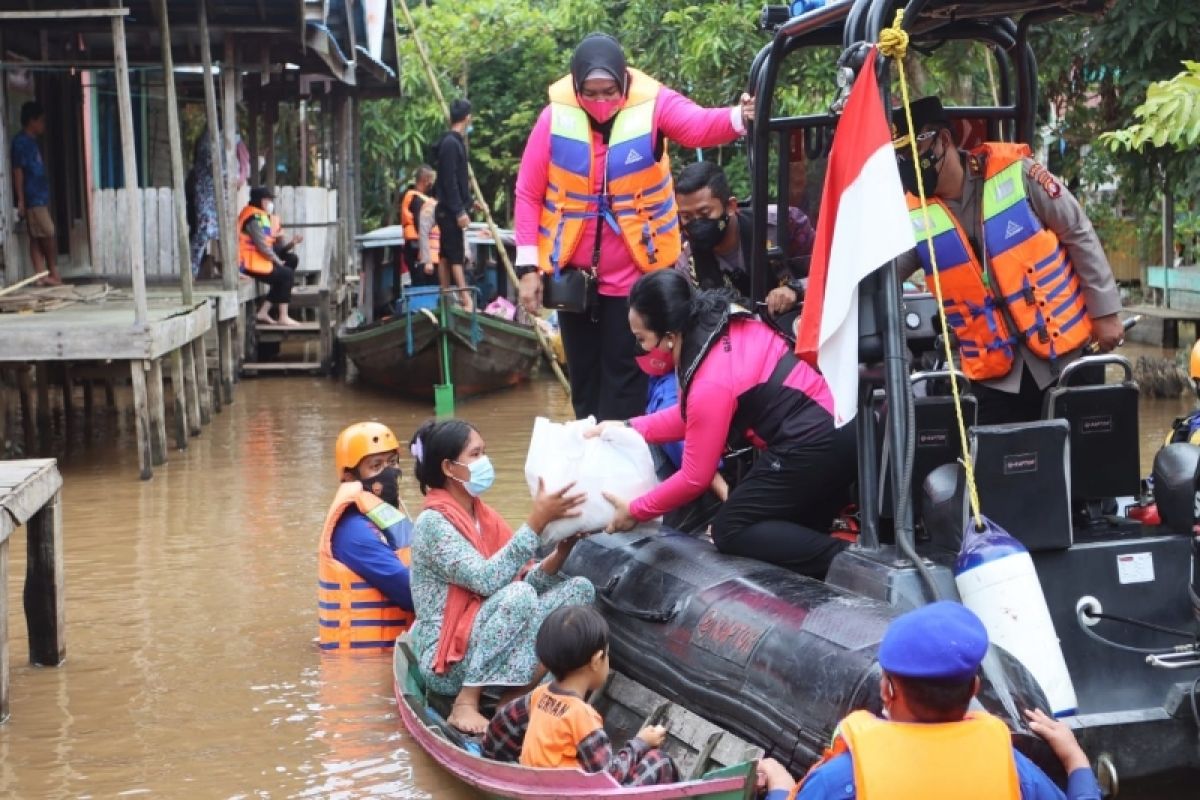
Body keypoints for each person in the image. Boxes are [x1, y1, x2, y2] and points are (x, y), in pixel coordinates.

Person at [513, 33, 757, 421]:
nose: (601, 103)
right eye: (589, 94)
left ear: (624, 82)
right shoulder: (552, 120)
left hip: (632, 279)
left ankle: (620, 464)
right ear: (576, 88)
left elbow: (697, 126)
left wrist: (738, 118)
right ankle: (588, 468)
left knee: (624, 383)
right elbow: (528, 193)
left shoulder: (654, 105)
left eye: (609, 91)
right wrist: (528, 270)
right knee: (584, 385)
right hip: (573, 280)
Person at [593, 270, 856, 578]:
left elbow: (696, 477)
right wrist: (627, 427)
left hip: (813, 442)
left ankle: (851, 565)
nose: (642, 349)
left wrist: (636, 510)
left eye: (642, 339)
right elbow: (690, 417)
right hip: (833, 430)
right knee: (774, 524)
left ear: (668, 334)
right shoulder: (713, 327)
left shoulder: (708, 378)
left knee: (729, 528)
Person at [893, 96, 1124, 425]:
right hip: (996, 378)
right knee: (999, 468)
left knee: (1086, 463)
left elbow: (1078, 231)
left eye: (911, 152)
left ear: (942, 140)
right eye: (899, 156)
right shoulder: (912, 218)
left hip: (1067, 358)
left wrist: (1105, 313)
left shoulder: (1017, 172)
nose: (906, 164)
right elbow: (882, 275)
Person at [758, 602, 1102, 800]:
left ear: (887, 690)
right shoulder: (1010, 768)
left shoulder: (842, 780)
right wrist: (1075, 759)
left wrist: (780, 787)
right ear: (974, 690)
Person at [407, 419, 595, 734]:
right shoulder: (432, 524)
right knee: (517, 597)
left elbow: (520, 583)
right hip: (446, 662)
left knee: (579, 591)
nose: (485, 462)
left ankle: (514, 701)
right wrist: (536, 522)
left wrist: (562, 550)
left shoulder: (484, 517)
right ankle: (465, 702)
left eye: (485, 453)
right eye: (476, 454)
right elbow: (488, 581)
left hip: (485, 636)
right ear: (450, 468)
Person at [482, 605, 679, 786]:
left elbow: (497, 728)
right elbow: (608, 777)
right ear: (596, 661)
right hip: (570, 795)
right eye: (607, 655)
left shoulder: (538, 695)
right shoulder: (583, 717)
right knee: (659, 762)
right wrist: (640, 743)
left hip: (534, 790)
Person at [318, 422, 415, 653]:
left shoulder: (385, 517)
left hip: (388, 650)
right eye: (376, 466)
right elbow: (411, 592)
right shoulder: (354, 531)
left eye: (392, 463)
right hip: (365, 665)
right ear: (351, 477)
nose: (389, 472)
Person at [674, 161, 814, 315]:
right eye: (686, 217)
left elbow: (832, 271)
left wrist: (796, 289)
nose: (696, 223)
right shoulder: (687, 265)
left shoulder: (785, 224)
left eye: (705, 213)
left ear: (730, 207)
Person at [432, 99, 477, 312]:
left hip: (450, 207)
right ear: (467, 117)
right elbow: (449, 180)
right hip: (449, 210)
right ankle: (465, 298)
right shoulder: (451, 144)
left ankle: (445, 293)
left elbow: (457, 181)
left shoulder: (454, 142)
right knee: (455, 254)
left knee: (446, 253)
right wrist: (459, 210)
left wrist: (469, 202)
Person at [10, 102, 61, 285]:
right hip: (32, 197)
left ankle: (41, 277)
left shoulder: (32, 141)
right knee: (48, 232)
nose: (43, 124)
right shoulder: (21, 142)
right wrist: (21, 200)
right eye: (41, 121)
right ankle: (52, 273)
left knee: (36, 237)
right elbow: (18, 171)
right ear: (32, 121)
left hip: (40, 195)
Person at [238, 187, 303, 326]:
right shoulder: (253, 218)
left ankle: (263, 312)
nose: (270, 203)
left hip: (259, 260)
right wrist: (278, 262)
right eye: (268, 200)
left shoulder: (261, 216)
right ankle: (283, 317)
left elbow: (273, 245)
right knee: (286, 275)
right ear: (260, 201)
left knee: (289, 266)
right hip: (247, 264)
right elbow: (263, 247)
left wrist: (289, 244)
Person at [399, 165, 437, 285]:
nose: (432, 183)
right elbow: (420, 226)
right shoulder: (416, 200)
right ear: (425, 179)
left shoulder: (418, 197)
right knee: (421, 280)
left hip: (415, 246)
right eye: (431, 179)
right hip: (416, 248)